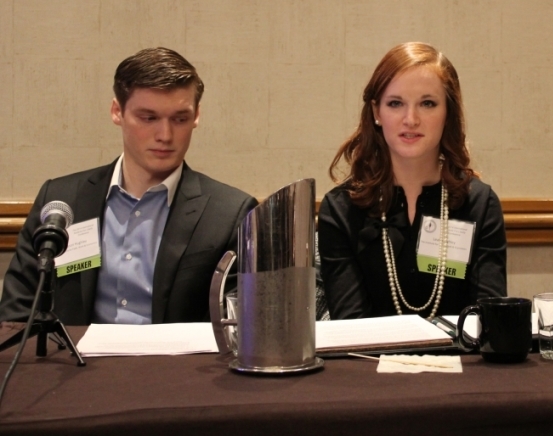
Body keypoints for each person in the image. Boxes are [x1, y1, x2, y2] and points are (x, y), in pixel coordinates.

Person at [0, 48, 258, 325]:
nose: (165, 135)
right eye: (148, 118)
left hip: (176, 354)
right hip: (73, 352)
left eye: (180, 119)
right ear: (117, 112)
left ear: (196, 116)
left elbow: (240, 326)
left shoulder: (230, 214)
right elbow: (18, 312)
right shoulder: (62, 200)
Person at [318, 42, 507, 319]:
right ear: (376, 112)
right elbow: (351, 327)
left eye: (427, 103)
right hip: (368, 349)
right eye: (395, 103)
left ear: (448, 112)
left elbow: (489, 321)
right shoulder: (340, 210)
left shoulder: (479, 203)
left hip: (462, 349)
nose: (411, 119)